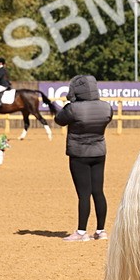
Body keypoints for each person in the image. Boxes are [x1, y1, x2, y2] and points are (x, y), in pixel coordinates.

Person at [54, 75, 113, 241]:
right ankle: (101, 231)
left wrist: (70, 102)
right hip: (99, 152)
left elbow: (59, 120)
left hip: (79, 153)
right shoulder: (106, 107)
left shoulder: (72, 108)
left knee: (84, 194)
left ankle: (81, 232)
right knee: (98, 192)